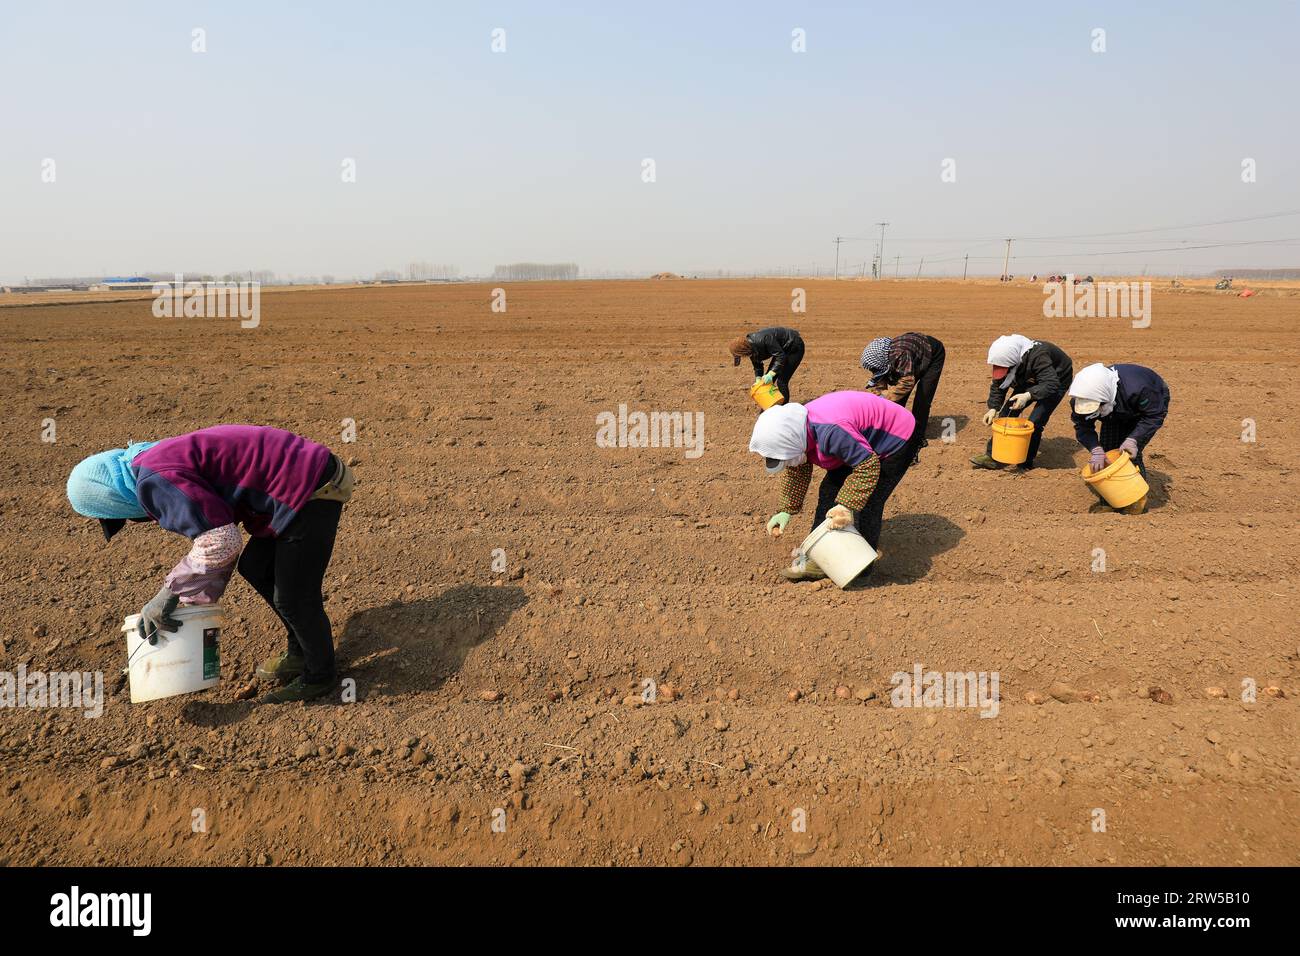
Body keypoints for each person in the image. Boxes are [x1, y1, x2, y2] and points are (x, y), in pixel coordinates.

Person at [66, 424, 356, 703]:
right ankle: (300, 653)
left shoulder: (154, 480)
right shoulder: (148, 463)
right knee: (257, 567)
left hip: (311, 485)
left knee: (293, 596)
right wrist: (194, 602)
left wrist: (167, 595)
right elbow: (220, 542)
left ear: (111, 500)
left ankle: (320, 674)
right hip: (296, 483)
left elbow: (221, 541)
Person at [748, 391, 915, 583]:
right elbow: (797, 468)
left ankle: (861, 570)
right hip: (858, 442)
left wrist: (846, 505)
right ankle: (817, 560)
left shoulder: (831, 432)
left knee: (869, 504)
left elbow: (868, 466)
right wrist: (786, 510)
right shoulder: (798, 432)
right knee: (829, 491)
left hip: (895, 439)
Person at [1068, 363, 1170, 514]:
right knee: (1109, 455)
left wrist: (1134, 439)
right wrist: (1096, 449)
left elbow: (1154, 415)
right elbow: (1083, 426)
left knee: (1127, 456)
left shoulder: (1141, 389)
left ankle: (1135, 503)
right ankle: (1111, 502)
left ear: (1105, 399)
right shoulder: (1081, 400)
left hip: (1143, 408)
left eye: (1097, 407)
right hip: (1114, 410)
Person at [970, 334, 1073, 471]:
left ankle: (1026, 462)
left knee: (1035, 422)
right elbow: (998, 384)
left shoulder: (1038, 356)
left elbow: (1050, 383)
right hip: (1028, 376)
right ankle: (993, 457)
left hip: (1056, 379)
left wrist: (1027, 395)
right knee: (1006, 414)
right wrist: (993, 408)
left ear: (1014, 362)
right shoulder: (1008, 360)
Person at [860, 332, 945, 462]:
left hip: (932, 353)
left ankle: (917, 440)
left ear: (882, 360)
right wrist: (879, 402)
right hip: (912, 357)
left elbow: (907, 382)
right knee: (896, 401)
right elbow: (879, 380)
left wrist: (887, 399)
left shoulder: (899, 355)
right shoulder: (881, 360)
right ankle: (895, 433)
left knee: (922, 400)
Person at [729, 327, 804, 403]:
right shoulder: (750, 348)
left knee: (782, 381)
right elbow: (757, 365)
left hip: (794, 346)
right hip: (781, 351)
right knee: (766, 382)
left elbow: (780, 356)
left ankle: (785, 407)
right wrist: (758, 379)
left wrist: (771, 374)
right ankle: (770, 406)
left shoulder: (764, 339)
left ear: (744, 351)